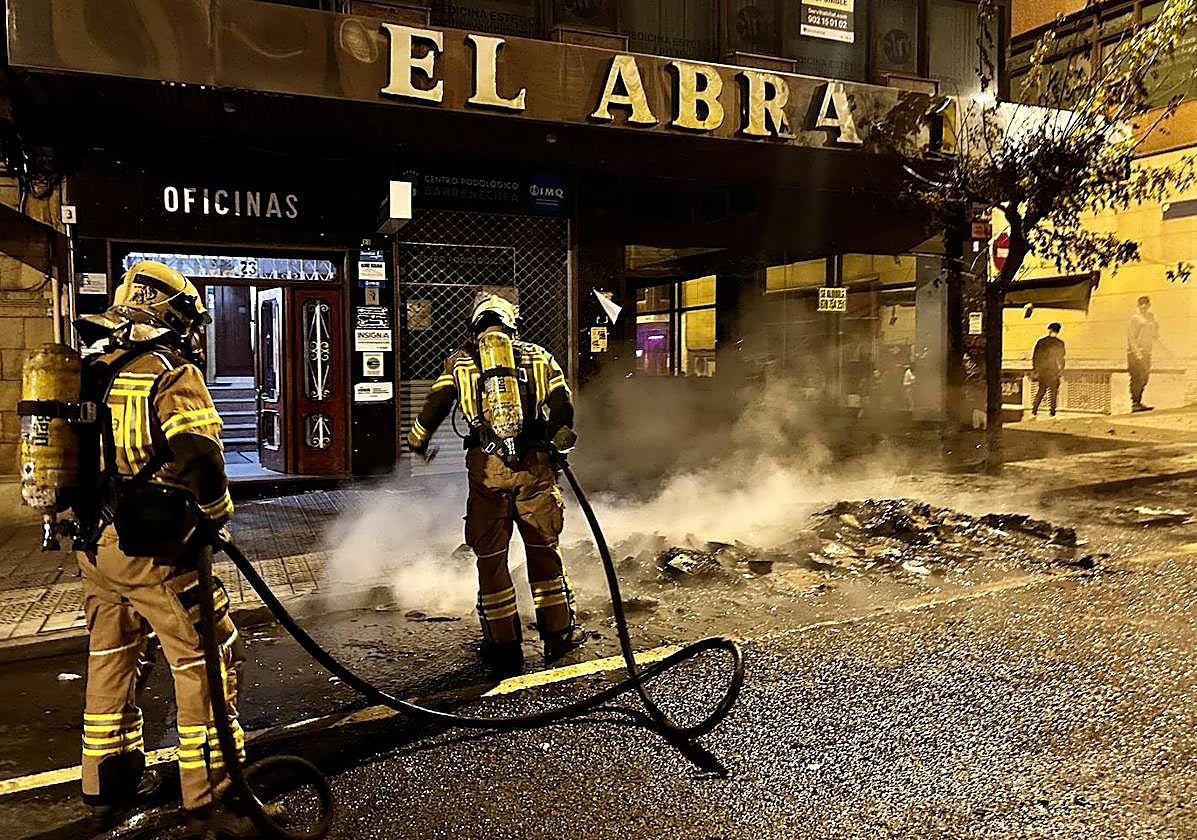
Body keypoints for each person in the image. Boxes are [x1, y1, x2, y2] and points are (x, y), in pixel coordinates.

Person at [73, 260, 257, 837]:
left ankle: (106, 783)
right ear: (167, 313)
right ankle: (210, 792)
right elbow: (199, 455)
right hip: (152, 548)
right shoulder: (169, 373)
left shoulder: (90, 369)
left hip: (93, 545)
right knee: (206, 652)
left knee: (110, 654)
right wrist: (215, 512)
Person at [408, 294, 586, 673]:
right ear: (511, 325)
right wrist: (558, 435)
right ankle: (558, 635)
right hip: (534, 468)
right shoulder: (539, 356)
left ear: (474, 327)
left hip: (487, 469)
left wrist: (418, 440)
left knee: (491, 558)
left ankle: (502, 644)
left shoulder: (459, 363)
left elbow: (435, 406)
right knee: (543, 550)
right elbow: (562, 404)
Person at [1127, 295, 1158, 412]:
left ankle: (1139, 401)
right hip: (1135, 354)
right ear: (1138, 306)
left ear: (1149, 305)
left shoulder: (1151, 318)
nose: (1144, 306)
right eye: (1141, 304)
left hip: (1147, 352)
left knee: (1145, 377)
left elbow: (1155, 334)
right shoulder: (1135, 319)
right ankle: (1135, 402)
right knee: (1136, 377)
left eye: (1146, 303)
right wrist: (1136, 352)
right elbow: (1131, 337)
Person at [1031, 322, 1066, 418]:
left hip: (1043, 370)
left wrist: (1036, 370)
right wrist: (1061, 370)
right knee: (1053, 392)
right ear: (1058, 331)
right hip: (1053, 370)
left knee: (1041, 390)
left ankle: (1034, 411)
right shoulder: (1060, 343)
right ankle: (1052, 412)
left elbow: (1035, 357)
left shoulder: (1041, 342)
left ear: (1049, 330)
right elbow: (1061, 358)